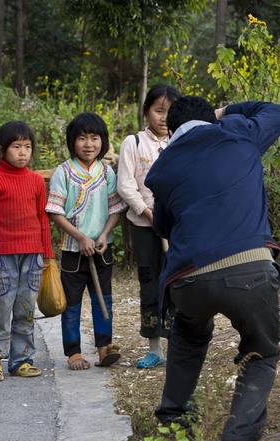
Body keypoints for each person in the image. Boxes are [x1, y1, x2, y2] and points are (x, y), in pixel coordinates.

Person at [144, 97, 280, 441]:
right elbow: (275, 111)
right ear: (213, 119)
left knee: (188, 337)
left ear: (171, 132)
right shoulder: (238, 134)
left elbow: (162, 225)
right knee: (262, 348)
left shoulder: (163, 168)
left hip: (189, 279)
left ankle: (173, 422)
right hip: (249, 269)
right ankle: (241, 437)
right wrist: (226, 112)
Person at [45, 112, 127, 370]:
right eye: (82, 138)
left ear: (103, 142)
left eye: (95, 138)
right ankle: (73, 353)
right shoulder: (64, 172)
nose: (89, 144)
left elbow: (116, 209)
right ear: (72, 142)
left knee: (104, 299)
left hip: (103, 248)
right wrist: (80, 237)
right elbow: (55, 212)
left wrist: (103, 235)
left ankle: (104, 348)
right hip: (72, 250)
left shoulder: (106, 173)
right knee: (72, 304)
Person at [0, 121, 54, 382]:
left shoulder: (36, 182)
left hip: (32, 256)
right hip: (1, 258)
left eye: (27, 147)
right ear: (2, 149)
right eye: (16, 147)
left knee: (25, 309)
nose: (23, 153)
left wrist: (48, 256)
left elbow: (43, 220)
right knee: (0, 308)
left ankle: (22, 359)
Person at [117, 83, 181, 369]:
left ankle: (178, 344)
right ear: (146, 111)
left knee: (179, 282)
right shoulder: (134, 143)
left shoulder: (179, 143)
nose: (164, 117)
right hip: (145, 227)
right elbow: (126, 186)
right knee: (150, 283)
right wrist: (149, 214)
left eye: (169, 112)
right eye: (158, 110)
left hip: (177, 228)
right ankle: (154, 347)